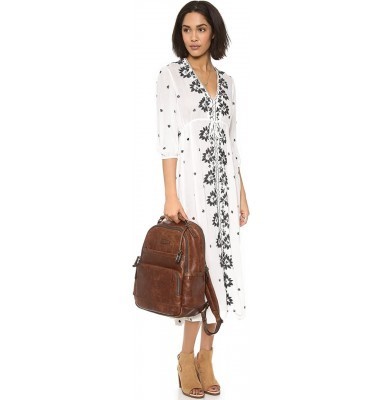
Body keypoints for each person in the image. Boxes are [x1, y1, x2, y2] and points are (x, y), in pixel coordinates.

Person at [155, 1, 250, 397]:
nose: (193, 37)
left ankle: (206, 358)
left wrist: (242, 193)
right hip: (191, 193)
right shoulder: (170, 76)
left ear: (214, 33)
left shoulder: (228, 83)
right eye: (186, 29)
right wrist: (170, 196)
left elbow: (231, 141)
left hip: (225, 192)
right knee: (195, 274)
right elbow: (167, 140)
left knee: (220, 276)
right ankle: (185, 358)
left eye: (201, 29)